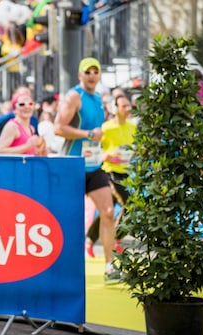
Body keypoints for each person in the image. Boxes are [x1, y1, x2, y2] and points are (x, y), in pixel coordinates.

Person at [54, 57, 120, 284]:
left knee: (109, 212)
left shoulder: (99, 98)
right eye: (87, 71)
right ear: (80, 75)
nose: (92, 75)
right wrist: (88, 134)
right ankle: (63, 269)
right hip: (73, 165)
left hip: (94, 165)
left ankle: (110, 267)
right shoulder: (74, 96)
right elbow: (58, 127)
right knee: (69, 219)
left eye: (95, 71)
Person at [86, 94, 136, 255]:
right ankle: (116, 239)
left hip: (126, 172)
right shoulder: (106, 127)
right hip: (109, 172)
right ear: (115, 109)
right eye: (123, 106)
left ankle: (90, 239)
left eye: (128, 106)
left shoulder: (132, 127)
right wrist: (104, 156)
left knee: (107, 210)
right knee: (131, 205)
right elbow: (93, 147)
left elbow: (136, 146)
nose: (127, 109)